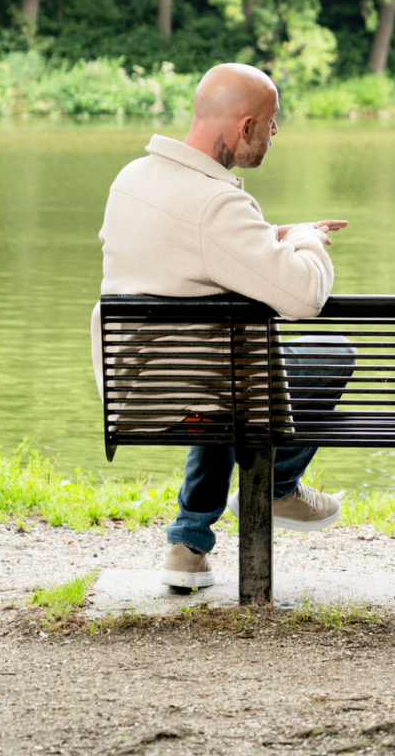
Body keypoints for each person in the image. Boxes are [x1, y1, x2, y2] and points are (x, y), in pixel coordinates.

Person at [92, 63, 354, 590]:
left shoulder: (131, 179)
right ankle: (280, 486)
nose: (275, 134)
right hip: (203, 396)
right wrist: (304, 239)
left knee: (218, 376)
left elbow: (186, 253)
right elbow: (304, 297)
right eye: (272, 123)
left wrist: (265, 236)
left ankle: (188, 544)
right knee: (330, 353)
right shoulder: (217, 203)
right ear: (246, 127)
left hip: (136, 392)